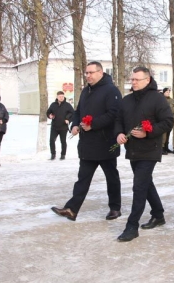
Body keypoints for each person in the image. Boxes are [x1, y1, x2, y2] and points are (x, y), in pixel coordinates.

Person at [51, 61, 123, 221]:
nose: (88, 75)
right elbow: (78, 111)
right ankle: (71, 209)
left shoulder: (111, 90)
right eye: (86, 73)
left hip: (105, 143)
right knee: (82, 178)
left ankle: (115, 208)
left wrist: (94, 125)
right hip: (88, 144)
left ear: (100, 73)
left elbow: (114, 114)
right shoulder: (85, 91)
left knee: (111, 177)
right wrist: (75, 124)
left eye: (91, 72)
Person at [115, 67, 174, 242]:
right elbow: (118, 120)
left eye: (136, 79)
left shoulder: (157, 99)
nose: (133, 82)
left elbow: (168, 121)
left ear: (147, 80)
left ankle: (132, 226)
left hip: (150, 148)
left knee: (139, 186)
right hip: (132, 149)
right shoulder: (126, 100)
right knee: (146, 183)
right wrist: (118, 133)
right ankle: (158, 214)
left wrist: (149, 132)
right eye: (131, 79)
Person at [46, 91, 74, 160]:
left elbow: (73, 114)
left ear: (64, 97)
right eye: (60, 96)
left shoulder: (67, 105)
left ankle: (63, 155)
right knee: (51, 140)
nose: (61, 98)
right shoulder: (53, 104)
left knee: (63, 141)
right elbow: (48, 112)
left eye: (62, 96)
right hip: (54, 126)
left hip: (63, 127)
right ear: (57, 97)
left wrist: (68, 120)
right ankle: (53, 154)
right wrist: (50, 115)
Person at [161, 87, 172, 155]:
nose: (168, 93)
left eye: (169, 92)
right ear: (164, 92)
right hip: (163, 119)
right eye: (166, 92)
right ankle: (161, 147)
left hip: (169, 119)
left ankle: (166, 147)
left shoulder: (171, 100)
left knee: (168, 134)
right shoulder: (161, 99)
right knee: (163, 135)